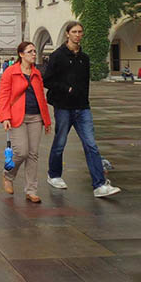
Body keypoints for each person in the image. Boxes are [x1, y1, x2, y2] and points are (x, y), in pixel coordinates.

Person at [44, 21, 121, 198]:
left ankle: (99, 185)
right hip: (63, 107)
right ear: (67, 34)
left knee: (91, 144)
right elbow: (47, 80)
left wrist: (84, 100)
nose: (78, 35)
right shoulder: (57, 56)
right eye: (74, 32)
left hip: (82, 107)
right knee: (60, 143)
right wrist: (66, 88)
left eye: (80, 32)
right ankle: (54, 174)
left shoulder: (84, 58)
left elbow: (85, 83)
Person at [0, 42, 51, 203]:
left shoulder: (36, 73)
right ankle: (8, 175)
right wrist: (5, 117)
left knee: (33, 154)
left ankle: (31, 190)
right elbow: (4, 96)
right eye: (30, 51)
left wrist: (46, 120)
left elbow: (41, 96)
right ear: (21, 54)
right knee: (21, 151)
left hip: (36, 116)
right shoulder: (10, 72)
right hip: (17, 116)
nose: (34, 54)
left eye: (35, 51)